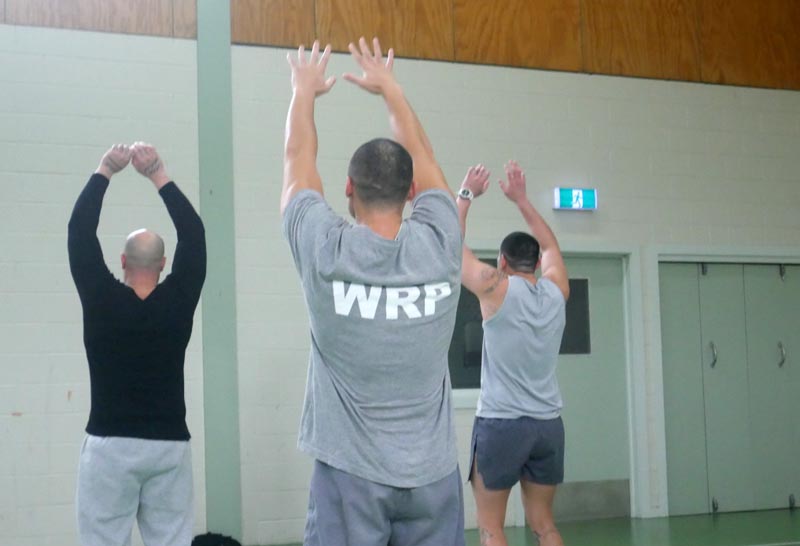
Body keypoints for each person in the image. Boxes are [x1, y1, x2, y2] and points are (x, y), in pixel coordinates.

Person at [281, 38, 465, 546]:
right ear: (412, 194)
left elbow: (298, 161)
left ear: (347, 189)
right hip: (432, 479)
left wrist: (304, 92)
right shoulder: (442, 244)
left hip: (350, 479)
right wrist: (391, 91)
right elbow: (423, 155)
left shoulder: (325, 251)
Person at [68, 142, 206, 546]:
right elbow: (194, 235)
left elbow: (79, 231)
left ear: (122, 261)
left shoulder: (100, 298)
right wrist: (158, 174)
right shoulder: (178, 302)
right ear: (164, 264)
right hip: (169, 448)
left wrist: (105, 170)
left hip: (109, 447)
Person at [458, 161, 570, 546]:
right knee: (545, 525)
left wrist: (466, 195)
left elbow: (450, 248)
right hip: (547, 426)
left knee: (492, 528)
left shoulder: (496, 288)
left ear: (502, 263)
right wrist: (522, 200)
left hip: (502, 424)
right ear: (538, 264)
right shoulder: (556, 292)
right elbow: (552, 244)